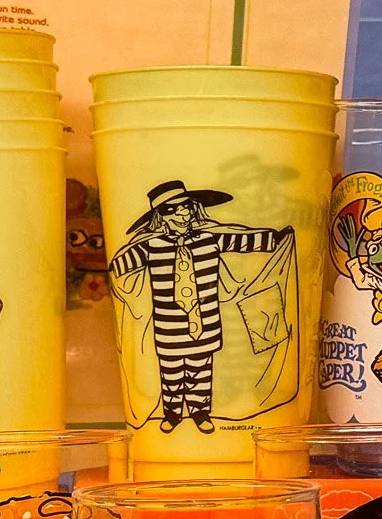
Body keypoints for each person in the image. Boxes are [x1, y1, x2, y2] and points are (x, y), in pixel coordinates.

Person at [109, 179, 293, 433]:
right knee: (171, 373)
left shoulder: (209, 239)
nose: (182, 214)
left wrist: (276, 238)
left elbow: (241, 240)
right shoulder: (151, 246)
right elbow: (119, 266)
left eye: (185, 207)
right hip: (169, 328)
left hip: (204, 323)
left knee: (201, 371)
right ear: (161, 217)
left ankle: (200, 412)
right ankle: (172, 413)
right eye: (172, 210)